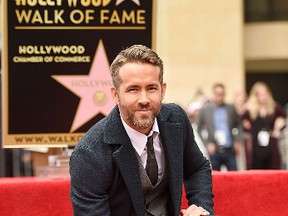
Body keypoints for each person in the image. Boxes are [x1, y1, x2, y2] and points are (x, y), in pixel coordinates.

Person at [69, 45, 214, 216]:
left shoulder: (176, 119)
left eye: (151, 88)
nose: (144, 100)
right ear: (115, 95)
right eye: (133, 89)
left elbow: (197, 168)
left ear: (163, 90)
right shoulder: (89, 153)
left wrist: (199, 207)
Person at [197, 83, 242, 171]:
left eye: (221, 94)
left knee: (234, 176)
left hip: (229, 149)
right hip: (214, 149)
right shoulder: (205, 110)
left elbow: (239, 125)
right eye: (217, 94)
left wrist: (237, 140)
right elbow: (199, 129)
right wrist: (207, 144)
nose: (219, 97)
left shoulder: (230, 108)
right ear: (213, 94)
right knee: (216, 178)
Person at [242, 82, 286, 169]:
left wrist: (278, 128)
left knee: (273, 167)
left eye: (265, 94)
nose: (263, 97)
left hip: (271, 144)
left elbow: (284, 117)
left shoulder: (274, 107)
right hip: (256, 145)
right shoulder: (250, 109)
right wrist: (246, 125)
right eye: (260, 94)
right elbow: (241, 120)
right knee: (256, 169)